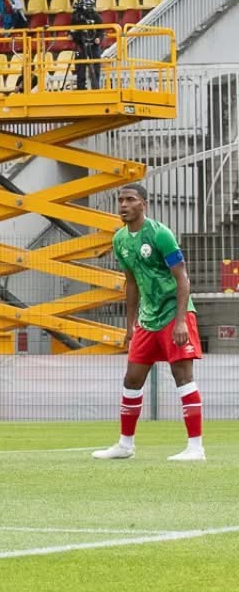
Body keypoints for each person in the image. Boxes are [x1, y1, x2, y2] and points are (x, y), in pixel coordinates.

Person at [93, 183, 205, 462]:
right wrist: (130, 325)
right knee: (132, 378)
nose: (123, 205)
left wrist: (181, 322)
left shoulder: (160, 234)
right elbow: (130, 283)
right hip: (147, 319)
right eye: (120, 200)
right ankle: (125, 445)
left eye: (130, 199)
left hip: (174, 314)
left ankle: (196, 447)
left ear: (143, 204)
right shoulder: (119, 239)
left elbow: (182, 279)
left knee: (182, 376)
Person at [71, 0, 104, 90]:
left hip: (93, 44)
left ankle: (96, 86)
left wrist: (99, 38)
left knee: (96, 65)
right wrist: (73, 36)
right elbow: (72, 28)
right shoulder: (76, 15)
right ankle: (81, 87)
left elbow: (101, 30)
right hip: (81, 44)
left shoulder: (96, 16)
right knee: (80, 67)